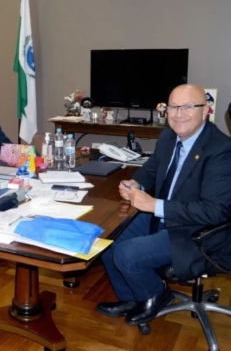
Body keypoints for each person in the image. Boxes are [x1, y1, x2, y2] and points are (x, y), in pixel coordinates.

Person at [97, 84, 231, 326]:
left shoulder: (221, 149)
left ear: (205, 111)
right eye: (173, 107)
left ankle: (157, 294)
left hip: (198, 232)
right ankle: (130, 298)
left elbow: (215, 211)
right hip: (164, 216)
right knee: (107, 237)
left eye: (188, 106)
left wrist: (154, 205)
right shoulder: (169, 136)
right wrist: (135, 183)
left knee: (127, 254)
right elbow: (151, 169)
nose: (179, 114)